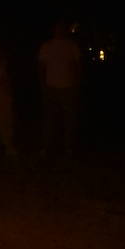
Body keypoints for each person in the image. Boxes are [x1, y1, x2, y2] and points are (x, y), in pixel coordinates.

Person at [38, 22, 82, 157]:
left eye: (61, 28)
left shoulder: (71, 46)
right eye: (56, 28)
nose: (59, 30)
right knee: (50, 119)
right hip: (51, 87)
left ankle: (68, 147)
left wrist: (77, 83)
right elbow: (41, 67)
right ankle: (47, 147)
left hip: (68, 87)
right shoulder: (47, 46)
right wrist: (43, 85)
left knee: (69, 119)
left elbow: (78, 66)